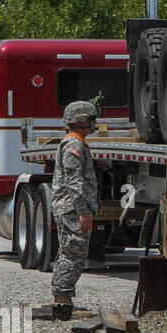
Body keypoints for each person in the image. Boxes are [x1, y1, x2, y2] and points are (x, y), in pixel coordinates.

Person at [50, 100, 99, 320]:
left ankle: (63, 296)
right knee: (73, 252)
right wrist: (83, 211)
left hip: (71, 208)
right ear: (82, 121)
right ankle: (62, 299)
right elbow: (74, 181)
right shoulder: (73, 145)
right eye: (91, 119)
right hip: (71, 209)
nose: (94, 123)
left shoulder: (76, 143)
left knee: (70, 251)